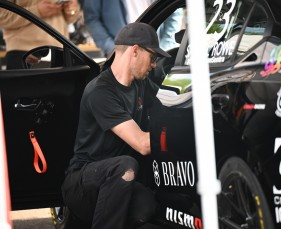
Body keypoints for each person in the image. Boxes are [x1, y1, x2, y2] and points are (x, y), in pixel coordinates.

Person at [61, 22, 171, 229]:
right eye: (153, 57)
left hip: (119, 181)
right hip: (84, 184)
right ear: (135, 51)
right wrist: (189, 133)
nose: (154, 65)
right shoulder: (101, 92)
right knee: (126, 165)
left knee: (145, 208)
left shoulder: (141, 83)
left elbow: (168, 105)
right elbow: (143, 144)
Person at [0, 0, 80, 69]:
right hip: (23, 51)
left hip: (60, 49)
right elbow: (2, 17)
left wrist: (71, 9)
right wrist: (36, 11)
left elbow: (70, 19)